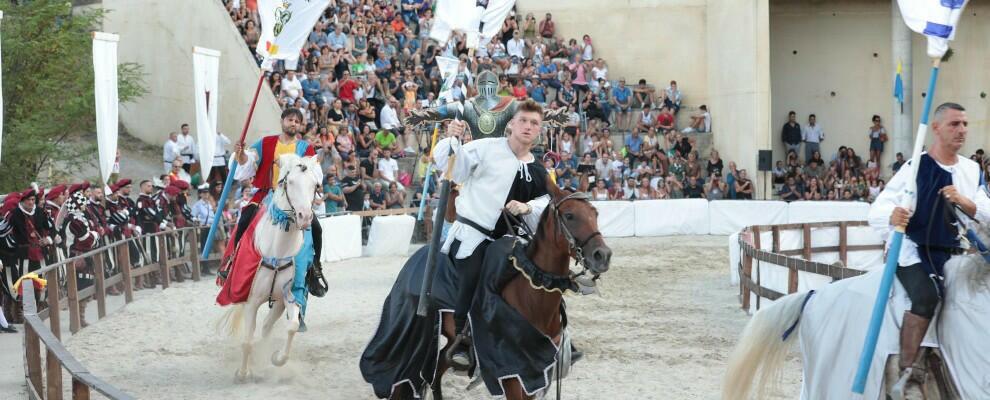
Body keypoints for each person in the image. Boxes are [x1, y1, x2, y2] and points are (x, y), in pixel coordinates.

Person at [867, 103, 990, 389]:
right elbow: (880, 207)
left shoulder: (972, 170)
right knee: (926, 297)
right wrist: (893, 215)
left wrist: (964, 201)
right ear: (935, 129)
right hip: (914, 250)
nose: (962, 130)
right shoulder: (915, 167)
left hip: (953, 251)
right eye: (954, 124)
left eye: (965, 124)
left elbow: (985, 209)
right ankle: (908, 373)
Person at [435, 100, 553, 371]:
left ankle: (550, 333)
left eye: (534, 123)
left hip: (512, 241)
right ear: (510, 124)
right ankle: (463, 339)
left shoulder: (537, 169)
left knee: (545, 273)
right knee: (474, 271)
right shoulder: (485, 148)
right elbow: (455, 169)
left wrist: (528, 207)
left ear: (539, 131)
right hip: (473, 236)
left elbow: (547, 202)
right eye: (523, 120)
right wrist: (452, 140)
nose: (528, 126)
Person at [230, 108, 323, 273]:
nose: (293, 123)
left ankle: (316, 266)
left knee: (316, 227)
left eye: (297, 121)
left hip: (294, 198)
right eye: (290, 120)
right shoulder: (265, 142)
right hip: (267, 193)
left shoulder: (305, 148)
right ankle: (233, 259)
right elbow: (248, 163)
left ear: (300, 126)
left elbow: (313, 171)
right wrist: (241, 153)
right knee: (244, 219)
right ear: (282, 121)